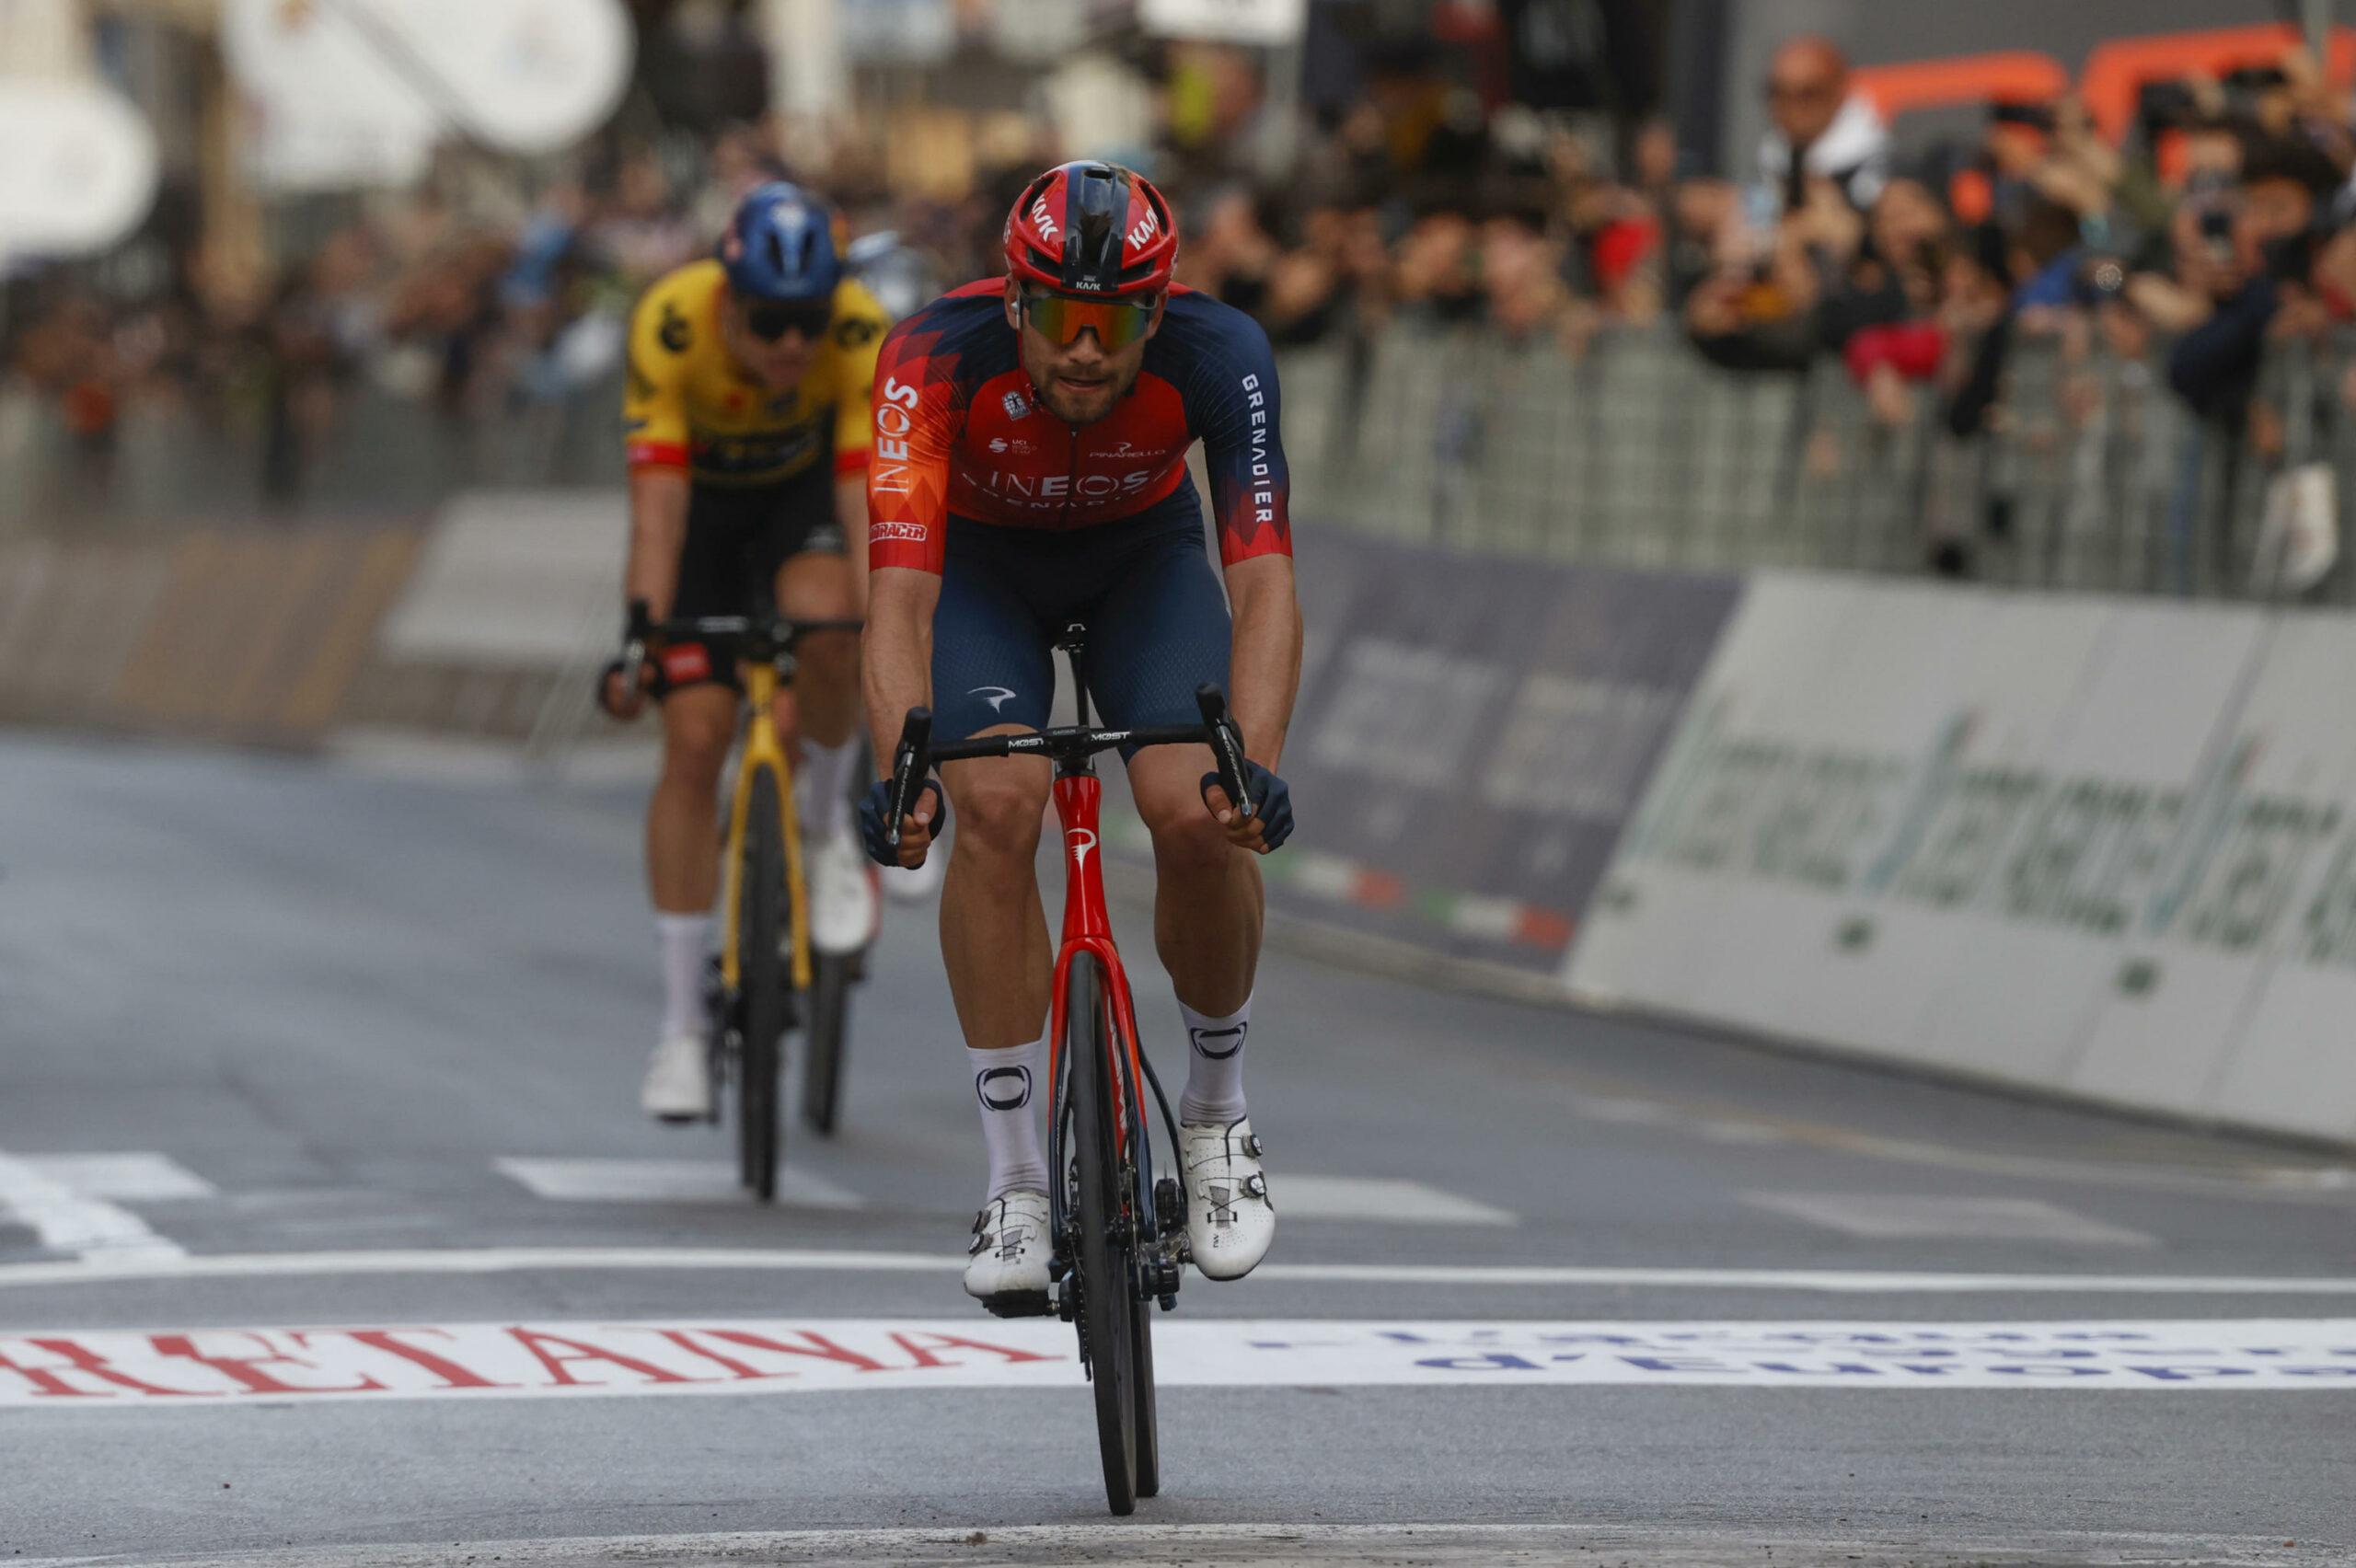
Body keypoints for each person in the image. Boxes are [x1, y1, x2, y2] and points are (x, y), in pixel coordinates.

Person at [857, 162, 1301, 1307]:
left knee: (1198, 812)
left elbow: (1262, 585)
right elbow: (901, 596)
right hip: (980, 576)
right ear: (1014, 303)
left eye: (1115, 323)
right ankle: (1014, 1182)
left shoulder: (1223, 354)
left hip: (1141, 565)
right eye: (1061, 319)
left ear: (1157, 311)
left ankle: (1216, 1118)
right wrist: (898, 768)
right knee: (994, 812)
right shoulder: (927, 356)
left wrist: (1253, 760)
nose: (1088, 351)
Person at [600, 182, 884, 1120]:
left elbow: (861, 503)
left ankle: (832, 829)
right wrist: (641, 636)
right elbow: (659, 513)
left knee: (836, 623)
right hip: (705, 524)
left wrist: (888, 615)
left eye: (806, 321)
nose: (792, 345)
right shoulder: (671, 327)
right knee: (693, 743)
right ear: (727, 299)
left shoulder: (856, 332)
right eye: (769, 323)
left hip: (802, 505)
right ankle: (681, 1029)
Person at [1759, 35, 1888, 213]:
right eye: (1778, 93)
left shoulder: (1885, 172)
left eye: (1809, 93)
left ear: (1840, 91)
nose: (1792, 107)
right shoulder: (1769, 162)